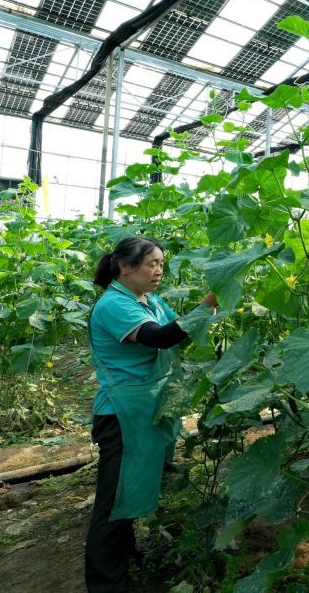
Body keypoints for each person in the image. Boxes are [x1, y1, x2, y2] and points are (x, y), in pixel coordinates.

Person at [84, 236, 217, 592]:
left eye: (161, 264)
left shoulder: (150, 300)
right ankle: (106, 584)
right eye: (151, 264)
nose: (158, 271)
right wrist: (209, 302)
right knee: (114, 501)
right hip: (121, 416)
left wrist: (215, 315)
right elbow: (159, 337)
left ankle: (125, 561)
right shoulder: (113, 304)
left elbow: (181, 332)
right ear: (125, 267)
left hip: (145, 408)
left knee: (131, 490)